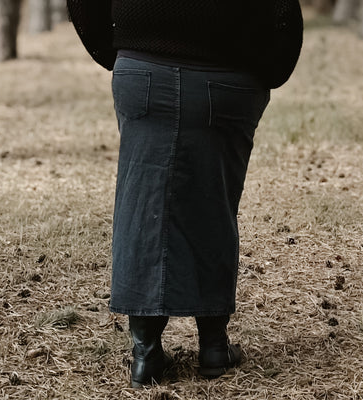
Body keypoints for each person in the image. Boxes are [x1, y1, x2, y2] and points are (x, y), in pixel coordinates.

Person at [68, 0, 303, 388]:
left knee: (141, 205)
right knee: (214, 201)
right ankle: (213, 346)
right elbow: (282, 13)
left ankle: (145, 353)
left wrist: (125, 52)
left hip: (143, 68)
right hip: (229, 77)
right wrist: (267, 73)